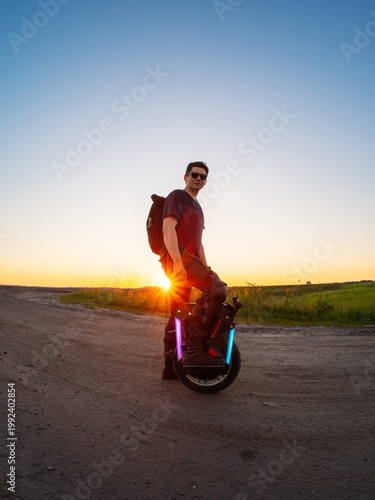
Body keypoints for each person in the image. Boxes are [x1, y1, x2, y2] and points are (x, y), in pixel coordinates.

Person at [159, 161, 228, 379]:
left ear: (205, 182)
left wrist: (206, 266)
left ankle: (170, 366)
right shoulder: (177, 196)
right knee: (218, 289)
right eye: (194, 175)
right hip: (180, 257)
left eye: (202, 177)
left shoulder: (198, 207)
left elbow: (200, 243)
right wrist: (177, 262)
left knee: (177, 312)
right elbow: (167, 228)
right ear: (185, 176)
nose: (198, 178)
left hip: (191, 258)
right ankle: (196, 341)